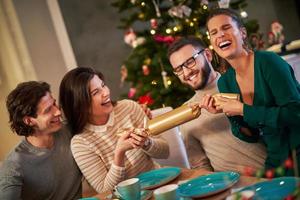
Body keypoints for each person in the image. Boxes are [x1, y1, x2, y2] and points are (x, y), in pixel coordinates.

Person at [204, 8, 300, 173]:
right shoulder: (225, 83)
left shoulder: (269, 62)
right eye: (213, 32)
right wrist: (227, 112)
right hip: (276, 159)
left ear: (242, 33)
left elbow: (295, 114)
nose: (220, 35)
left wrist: (242, 109)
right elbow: (251, 135)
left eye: (226, 28)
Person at [59, 67, 169, 193]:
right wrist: (119, 153)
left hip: (159, 186)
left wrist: (146, 143)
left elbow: (165, 152)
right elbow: (106, 191)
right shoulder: (80, 143)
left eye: (103, 85)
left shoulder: (129, 107)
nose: (106, 93)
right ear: (80, 105)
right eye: (95, 92)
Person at [167, 36, 266, 173]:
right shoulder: (186, 114)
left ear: (208, 55)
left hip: (271, 175)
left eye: (190, 62)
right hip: (231, 188)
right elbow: (200, 166)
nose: (186, 72)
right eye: (178, 69)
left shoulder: (241, 83)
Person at [0, 81, 82, 199]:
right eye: (48, 110)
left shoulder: (70, 131)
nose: (58, 111)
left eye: (54, 103)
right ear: (29, 121)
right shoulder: (14, 165)